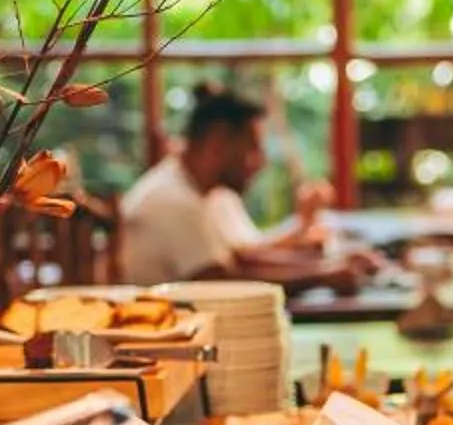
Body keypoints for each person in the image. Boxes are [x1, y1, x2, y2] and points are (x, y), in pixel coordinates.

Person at [118, 89, 363, 291]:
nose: (262, 163)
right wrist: (321, 275)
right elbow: (223, 284)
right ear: (217, 144)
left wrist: (326, 264)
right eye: (253, 149)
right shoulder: (173, 201)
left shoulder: (199, 192)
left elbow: (242, 258)